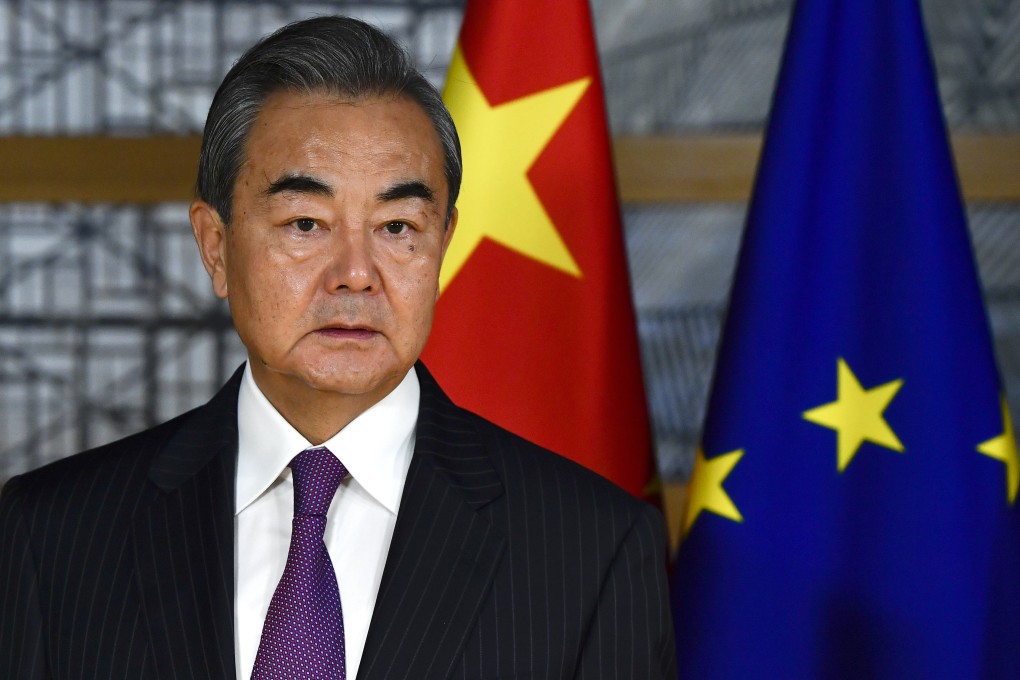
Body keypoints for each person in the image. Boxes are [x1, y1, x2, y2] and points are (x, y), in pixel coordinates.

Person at [0, 16, 675, 680]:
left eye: (398, 227)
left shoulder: (593, 551)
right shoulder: (52, 536)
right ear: (215, 246)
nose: (356, 271)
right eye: (305, 222)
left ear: (442, 244)